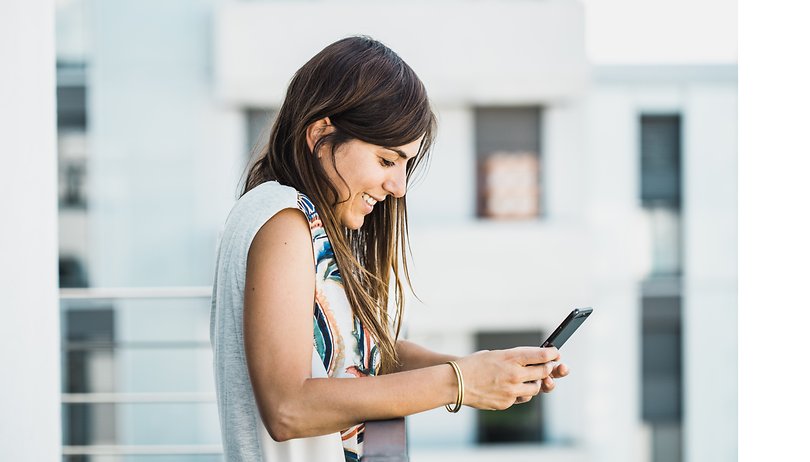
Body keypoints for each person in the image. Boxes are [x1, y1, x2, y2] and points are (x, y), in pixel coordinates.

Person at [209, 35, 568, 462]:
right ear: (321, 134)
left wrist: (484, 371)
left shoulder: (316, 226)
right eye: (386, 160)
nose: (398, 187)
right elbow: (289, 408)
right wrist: (458, 381)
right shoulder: (283, 219)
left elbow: (368, 355)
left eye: (404, 166)